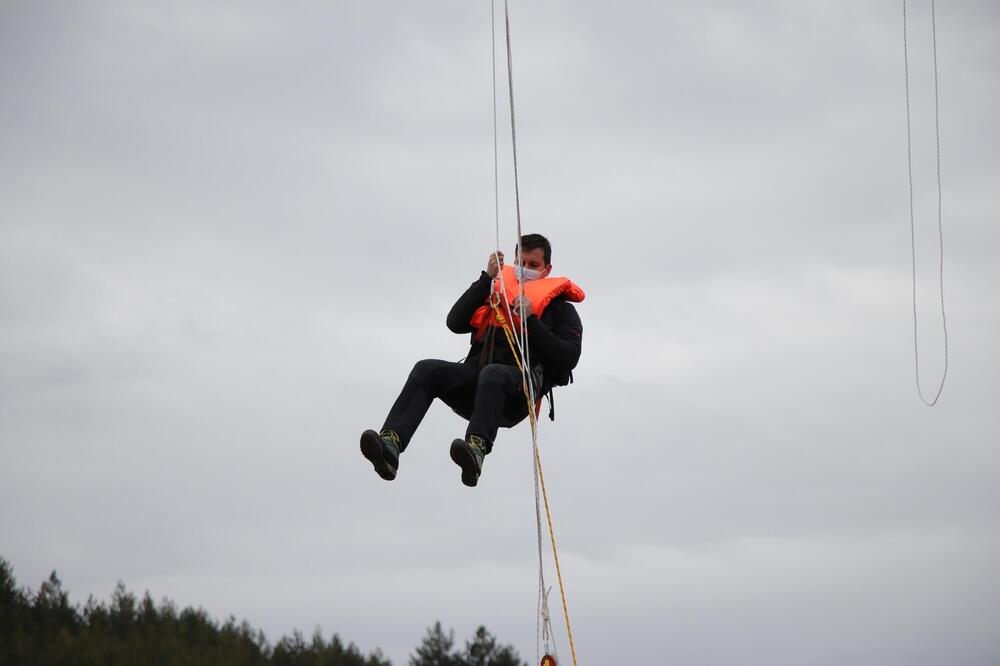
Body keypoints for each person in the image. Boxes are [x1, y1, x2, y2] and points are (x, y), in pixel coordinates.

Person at [360, 233, 584, 487]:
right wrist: (485, 279)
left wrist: (531, 320)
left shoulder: (561, 310)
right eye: (521, 263)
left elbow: (569, 357)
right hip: (477, 388)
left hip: (517, 393)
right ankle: (391, 444)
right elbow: (454, 322)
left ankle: (476, 450)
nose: (525, 270)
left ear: (547, 269)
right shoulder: (494, 292)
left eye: (533, 266)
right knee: (427, 369)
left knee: (493, 374)